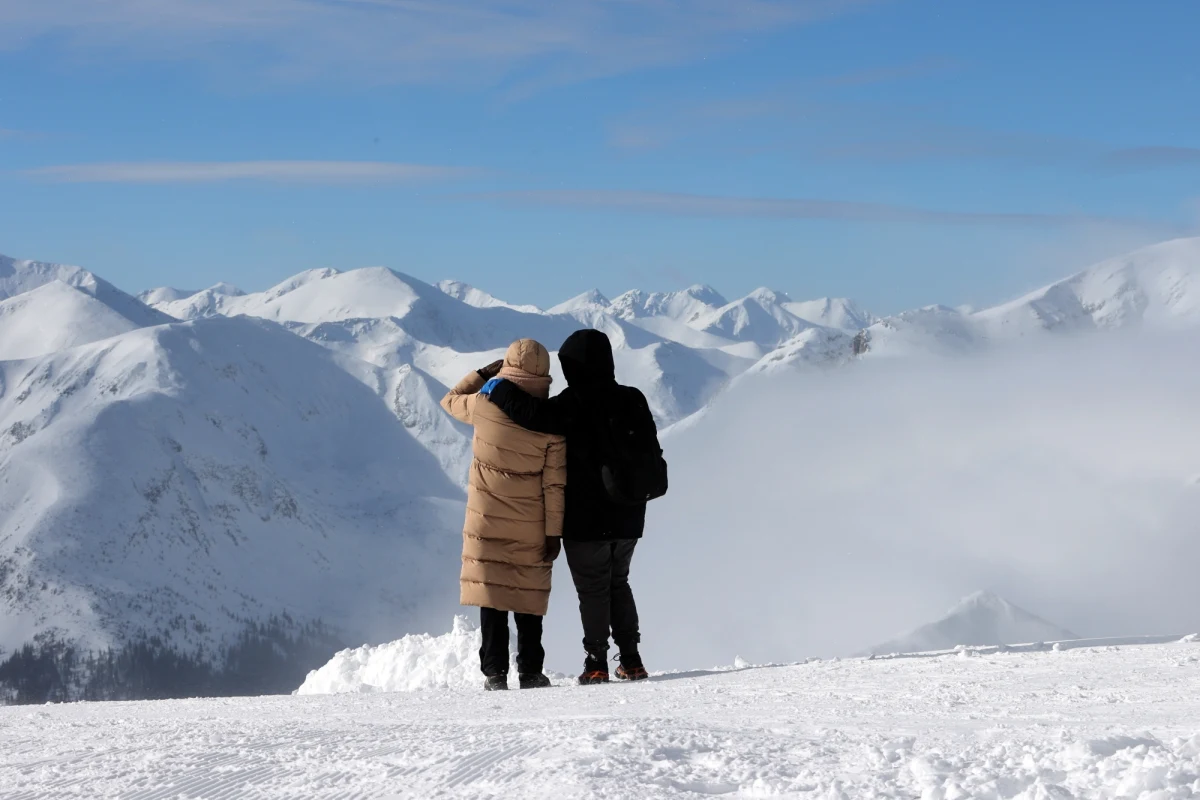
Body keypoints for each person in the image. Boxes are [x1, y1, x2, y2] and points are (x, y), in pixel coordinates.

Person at [484, 329, 663, 685]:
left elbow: (531, 415)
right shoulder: (633, 398)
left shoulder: (572, 403)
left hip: (586, 520)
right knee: (619, 583)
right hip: (630, 513)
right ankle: (631, 659)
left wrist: (499, 387)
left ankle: (597, 662)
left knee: (593, 589)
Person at [439, 339, 567, 691]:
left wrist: (482, 374)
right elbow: (555, 486)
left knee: (492, 596)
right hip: (532, 524)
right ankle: (531, 672)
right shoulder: (554, 424)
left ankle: (495, 673)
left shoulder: (484, 405)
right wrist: (553, 533)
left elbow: (449, 400)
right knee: (528, 597)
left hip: (487, 520)